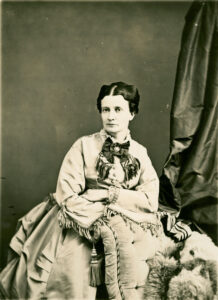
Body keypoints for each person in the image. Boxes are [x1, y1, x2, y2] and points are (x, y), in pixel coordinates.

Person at [0, 81, 161, 300]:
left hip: (127, 224)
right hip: (82, 222)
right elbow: (67, 196)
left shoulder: (140, 153)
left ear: (132, 113)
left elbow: (150, 199)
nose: (111, 116)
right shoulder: (84, 146)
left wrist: (109, 195)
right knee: (73, 270)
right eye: (106, 110)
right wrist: (99, 219)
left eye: (118, 109)